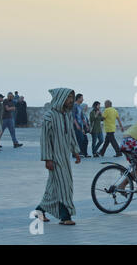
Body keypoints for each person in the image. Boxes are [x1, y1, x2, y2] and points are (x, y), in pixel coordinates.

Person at [35, 88, 81, 225]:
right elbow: (45, 139)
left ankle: (39, 210)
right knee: (64, 185)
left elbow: (71, 134)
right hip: (54, 157)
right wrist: (48, 158)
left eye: (72, 98)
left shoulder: (67, 115)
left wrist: (75, 151)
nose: (71, 101)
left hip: (65, 156)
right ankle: (65, 216)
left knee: (55, 187)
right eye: (68, 98)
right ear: (61, 99)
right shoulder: (50, 116)